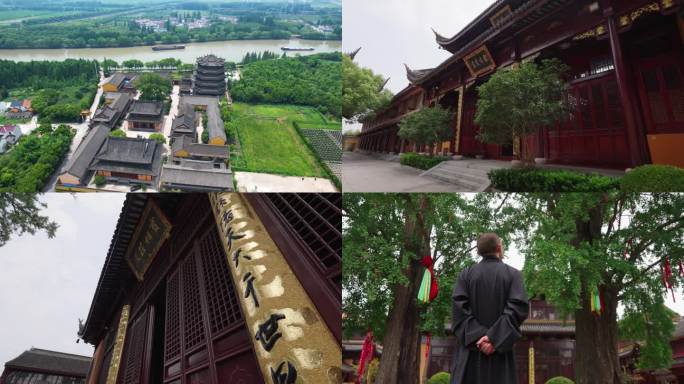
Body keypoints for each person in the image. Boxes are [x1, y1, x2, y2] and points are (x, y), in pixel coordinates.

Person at [450, 232, 529, 384]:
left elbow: (459, 312)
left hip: (470, 354)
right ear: (499, 248)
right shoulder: (513, 275)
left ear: (479, 252)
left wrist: (481, 337)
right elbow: (517, 309)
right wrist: (494, 339)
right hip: (500, 355)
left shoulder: (465, 275)